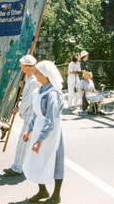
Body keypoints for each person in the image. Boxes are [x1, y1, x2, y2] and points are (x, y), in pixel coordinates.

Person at [22, 60, 65, 204]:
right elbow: (36, 113)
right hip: (39, 129)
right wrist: (29, 130)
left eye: (37, 72)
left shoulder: (53, 94)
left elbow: (50, 119)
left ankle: (56, 195)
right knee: (37, 160)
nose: (34, 74)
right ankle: (42, 190)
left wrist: (40, 139)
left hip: (51, 132)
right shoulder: (39, 91)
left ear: (46, 75)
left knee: (55, 160)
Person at [3, 55, 41, 176]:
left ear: (26, 66)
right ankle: (25, 166)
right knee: (27, 141)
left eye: (22, 65)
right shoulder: (30, 79)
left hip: (31, 115)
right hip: (30, 114)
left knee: (23, 141)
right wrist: (24, 86)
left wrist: (19, 108)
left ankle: (17, 167)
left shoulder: (34, 80)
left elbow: (29, 99)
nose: (20, 67)